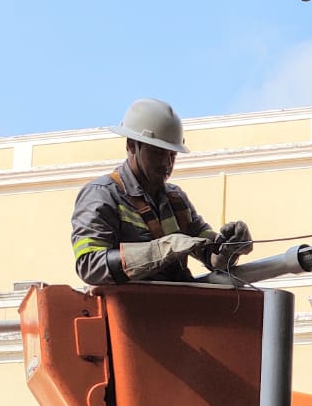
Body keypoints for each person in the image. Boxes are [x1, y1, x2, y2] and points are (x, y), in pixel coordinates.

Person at [70, 98, 252, 284]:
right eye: (157, 153)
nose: (166, 163)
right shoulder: (102, 195)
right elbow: (89, 264)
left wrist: (229, 246)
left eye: (172, 155)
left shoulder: (176, 200)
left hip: (172, 308)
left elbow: (212, 256)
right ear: (132, 146)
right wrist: (161, 250)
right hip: (129, 309)